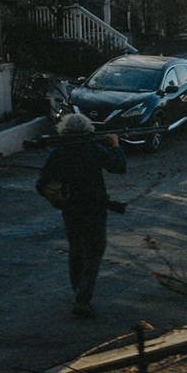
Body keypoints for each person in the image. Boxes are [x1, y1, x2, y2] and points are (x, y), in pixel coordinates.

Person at [37, 113, 127, 319]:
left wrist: (59, 194)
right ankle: (83, 299)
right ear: (88, 130)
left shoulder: (57, 152)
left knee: (76, 250)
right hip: (95, 209)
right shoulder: (94, 149)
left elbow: (41, 184)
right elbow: (119, 166)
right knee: (94, 252)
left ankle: (79, 290)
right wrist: (115, 146)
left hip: (71, 209)